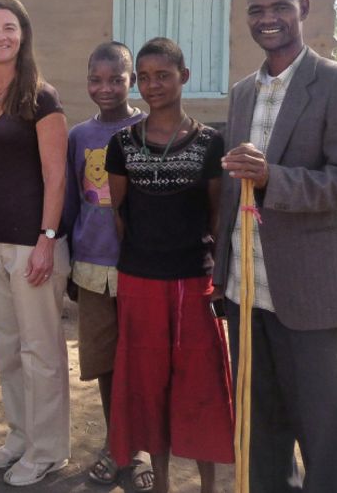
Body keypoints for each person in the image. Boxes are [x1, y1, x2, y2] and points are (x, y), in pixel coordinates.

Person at [216, 0, 337, 492]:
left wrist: (271, 179)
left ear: (303, 9)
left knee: (326, 431)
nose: (269, 19)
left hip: (311, 293)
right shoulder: (242, 93)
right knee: (261, 430)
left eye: (279, 6)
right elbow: (232, 191)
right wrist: (221, 277)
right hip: (247, 292)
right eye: (257, 10)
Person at [105, 38, 234, 493]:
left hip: (194, 280)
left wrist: (215, 274)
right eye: (144, 77)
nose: (153, 85)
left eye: (163, 75)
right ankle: (159, 484)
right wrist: (145, 257)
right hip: (140, 279)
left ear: (185, 76)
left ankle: (207, 485)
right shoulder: (122, 144)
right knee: (148, 385)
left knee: (201, 383)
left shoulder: (210, 142)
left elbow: (215, 218)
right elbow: (121, 215)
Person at [0, 0, 71, 487]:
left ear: (23, 34)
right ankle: (19, 436)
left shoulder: (42, 97)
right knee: (7, 347)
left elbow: (56, 176)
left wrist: (48, 239)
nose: (0, 36)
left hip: (34, 243)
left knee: (40, 351)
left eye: (9, 27)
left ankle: (48, 449)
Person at [60, 41, 145, 486]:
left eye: (117, 79)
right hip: (92, 268)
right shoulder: (79, 137)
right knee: (106, 363)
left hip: (140, 268)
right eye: (97, 79)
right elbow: (73, 203)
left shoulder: (147, 129)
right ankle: (117, 445)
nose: (106, 88)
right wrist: (71, 266)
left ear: (131, 80)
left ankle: (141, 450)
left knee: (141, 361)